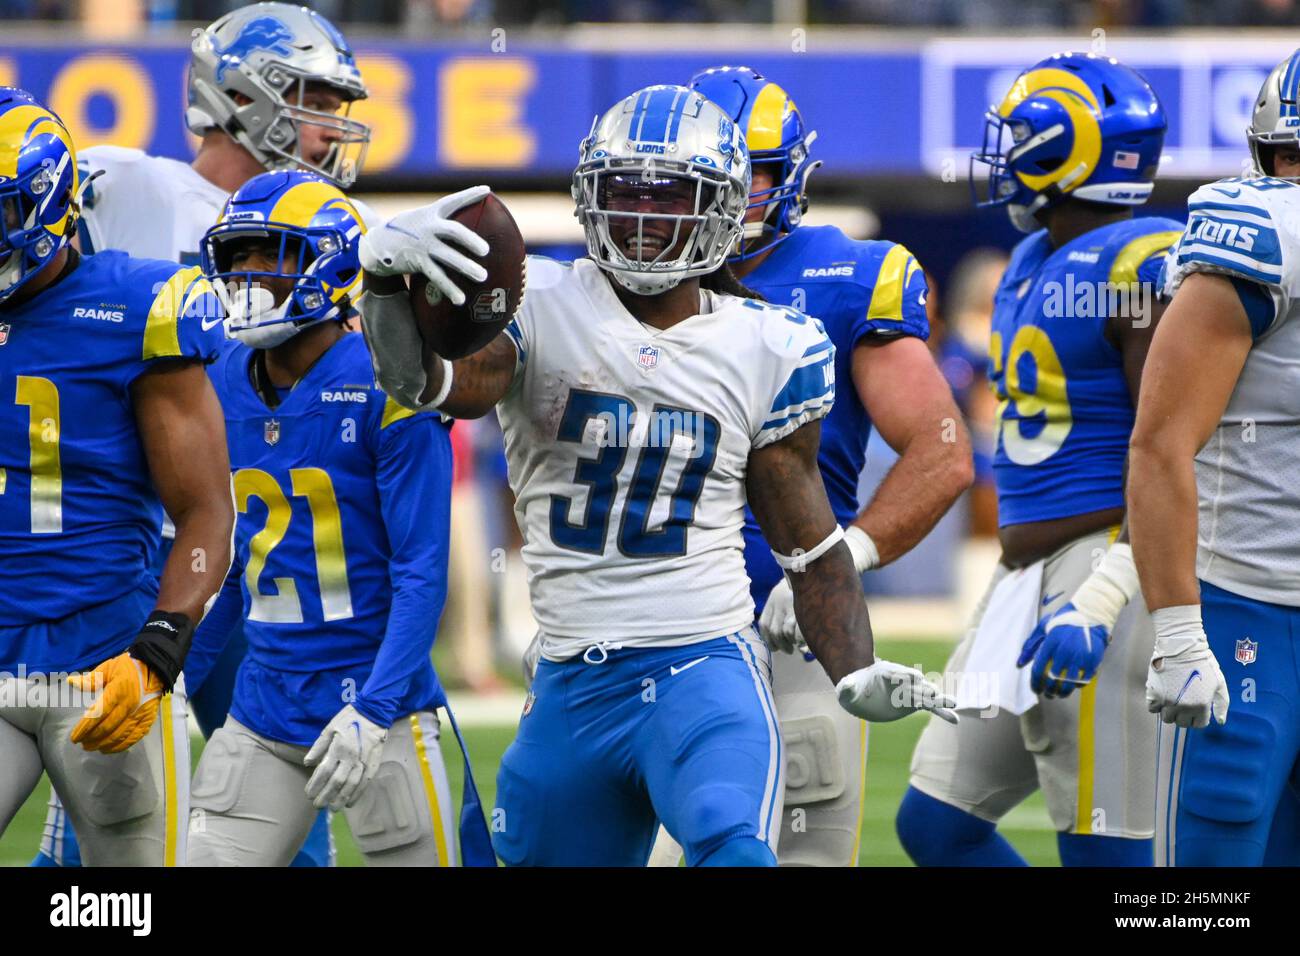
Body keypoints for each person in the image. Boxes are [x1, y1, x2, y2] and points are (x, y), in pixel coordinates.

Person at [358, 84, 957, 866]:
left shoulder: (768, 344)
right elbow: (430, 384)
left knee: (729, 843)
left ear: (722, 209)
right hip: (572, 672)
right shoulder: (543, 306)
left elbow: (805, 543)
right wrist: (378, 288)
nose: (642, 222)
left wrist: (850, 669)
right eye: (623, 195)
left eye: (671, 197)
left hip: (701, 662)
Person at [36, 0, 371, 868]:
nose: (331, 126)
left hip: (256, 548)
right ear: (243, 95)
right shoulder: (139, 187)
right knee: (108, 810)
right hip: (147, 547)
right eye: (314, 99)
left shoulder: (328, 235)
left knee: (281, 809)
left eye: (335, 105)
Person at [644, 66, 972, 868]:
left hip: (791, 635)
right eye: (708, 173)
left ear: (788, 175)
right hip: (650, 630)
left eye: (747, 172)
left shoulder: (846, 276)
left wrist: (837, 563)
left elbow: (942, 452)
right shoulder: (629, 279)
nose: (729, 194)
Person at [896, 52, 1182, 867]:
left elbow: (1175, 450)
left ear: (1073, 150)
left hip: (1108, 563)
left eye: (1022, 136)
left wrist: (1103, 593)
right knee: (936, 824)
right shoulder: (1027, 258)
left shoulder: (1145, 264)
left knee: (1106, 852)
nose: (1006, 152)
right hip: (1022, 575)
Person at [185, 170, 480, 866]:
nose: (246, 276)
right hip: (264, 710)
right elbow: (234, 565)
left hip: (380, 711)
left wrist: (376, 710)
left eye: (268, 255)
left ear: (330, 265)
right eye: (237, 258)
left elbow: (420, 572)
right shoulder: (222, 377)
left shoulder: (389, 379)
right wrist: (178, 681)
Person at [0, 89, 232, 866]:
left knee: (125, 911)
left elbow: (205, 511)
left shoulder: (135, 305)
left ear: (49, 206)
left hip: (104, 661)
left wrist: (159, 650)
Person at [1130, 49, 1300, 866]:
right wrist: (1178, 633)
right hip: (1250, 604)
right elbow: (1160, 442)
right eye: (1295, 157)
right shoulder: (1267, 232)